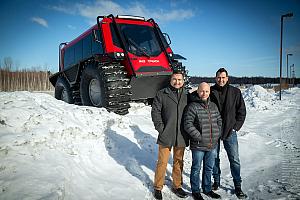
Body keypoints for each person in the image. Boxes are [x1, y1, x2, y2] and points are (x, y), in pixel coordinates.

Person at [151, 70, 189, 200]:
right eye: (175, 79)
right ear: (170, 80)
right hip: (166, 133)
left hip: (181, 134)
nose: (177, 82)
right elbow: (155, 112)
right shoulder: (162, 94)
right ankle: (158, 187)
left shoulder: (187, 95)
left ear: (183, 81)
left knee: (179, 161)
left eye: (179, 80)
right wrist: (161, 128)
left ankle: (177, 186)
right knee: (162, 162)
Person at [210, 68, 247, 199]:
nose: (221, 80)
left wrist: (235, 127)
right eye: (219, 77)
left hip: (230, 131)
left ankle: (237, 185)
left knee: (234, 159)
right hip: (214, 131)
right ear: (216, 78)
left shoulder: (235, 92)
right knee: (214, 159)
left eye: (223, 77)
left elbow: (242, 111)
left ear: (227, 78)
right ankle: (216, 181)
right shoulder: (210, 91)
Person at [184, 82, 222, 200]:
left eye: (206, 91)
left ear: (209, 92)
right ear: (198, 91)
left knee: (209, 168)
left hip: (212, 144)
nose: (204, 93)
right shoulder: (192, 106)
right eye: (201, 91)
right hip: (199, 145)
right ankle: (196, 191)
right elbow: (187, 124)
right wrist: (199, 136)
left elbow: (219, 120)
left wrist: (216, 134)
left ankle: (207, 189)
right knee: (196, 168)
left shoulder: (214, 106)